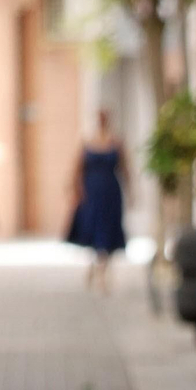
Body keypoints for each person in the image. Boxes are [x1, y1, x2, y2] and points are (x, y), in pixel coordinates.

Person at [66, 108, 128, 294]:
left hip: (110, 191)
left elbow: (125, 167)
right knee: (92, 227)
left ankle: (102, 268)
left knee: (109, 228)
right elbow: (77, 167)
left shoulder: (116, 141)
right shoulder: (87, 140)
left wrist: (132, 192)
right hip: (92, 191)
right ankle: (95, 264)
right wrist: (75, 189)